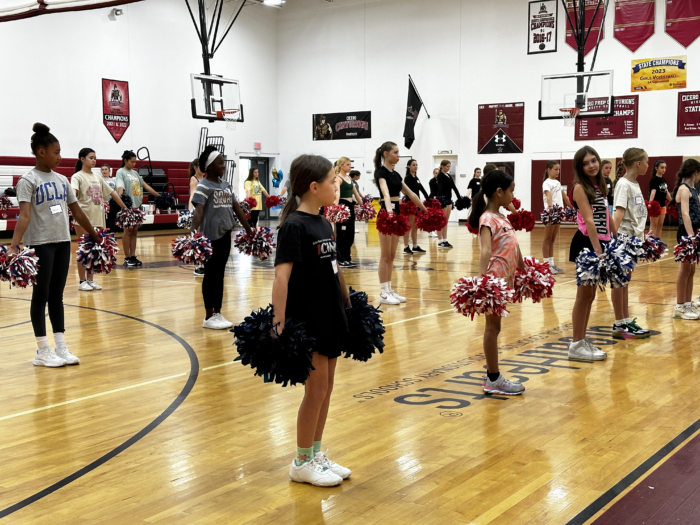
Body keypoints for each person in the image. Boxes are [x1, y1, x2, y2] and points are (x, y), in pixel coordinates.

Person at [273, 154, 352, 487]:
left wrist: (347, 301)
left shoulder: (323, 222)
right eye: (334, 180)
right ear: (314, 186)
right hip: (308, 318)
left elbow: (333, 267)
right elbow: (281, 278)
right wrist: (278, 325)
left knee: (328, 387)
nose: (338, 185)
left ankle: (316, 454)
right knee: (315, 390)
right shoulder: (294, 226)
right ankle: (301, 461)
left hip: (330, 312)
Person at [8, 123, 103, 367]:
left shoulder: (62, 180)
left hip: (62, 241)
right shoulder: (27, 180)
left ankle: (61, 346)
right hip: (40, 244)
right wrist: (14, 245)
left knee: (57, 296)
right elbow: (25, 216)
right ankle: (42, 350)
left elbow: (77, 212)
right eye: (56, 152)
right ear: (41, 152)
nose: (60, 157)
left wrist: (93, 234)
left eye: (60, 152)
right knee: (40, 297)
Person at [467, 169, 526, 395]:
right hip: (493, 280)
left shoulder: (502, 217)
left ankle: (494, 375)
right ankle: (493, 378)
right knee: (492, 328)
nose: (513, 195)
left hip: (504, 280)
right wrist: (482, 284)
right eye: (511, 191)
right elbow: (485, 251)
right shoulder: (486, 218)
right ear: (498, 192)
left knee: (496, 327)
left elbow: (514, 245)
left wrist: (524, 268)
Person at [191, 146, 252, 330]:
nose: (223, 165)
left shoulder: (225, 185)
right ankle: (209, 316)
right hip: (209, 239)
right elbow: (199, 212)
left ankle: (217, 313)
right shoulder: (203, 186)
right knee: (210, 275)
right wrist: (193, 235)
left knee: (219, 275)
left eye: (224, 162)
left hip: (225, 235)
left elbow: (237, 208)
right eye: (220, 163)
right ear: (209, 166)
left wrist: (250, 230)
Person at [567, 146, 616, 362]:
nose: (591, 165)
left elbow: (606, 214)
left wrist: (617, 238)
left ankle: (582, 340)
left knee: (591, 295)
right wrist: (598, 251)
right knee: (583, 295)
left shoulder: (600, 185)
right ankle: (576, 344)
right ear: (580, 166)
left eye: (593, 160)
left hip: (601, 242)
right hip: (588, 244)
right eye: (586, 163)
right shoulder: (579, 187)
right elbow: (589, 220)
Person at [374, 142, 428, 305]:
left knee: (391, 255)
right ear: (386, 154)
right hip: (386, 214)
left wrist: (425, 209)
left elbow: (410, 193)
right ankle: (383, 293)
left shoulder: (396, 175)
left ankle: (389, 289)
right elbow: (385, 192)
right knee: (385, 255)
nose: (398, 155)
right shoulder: (381, 173)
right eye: (396, 152)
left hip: (397, 214)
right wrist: (390, 212)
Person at [71, 148, 126, 291]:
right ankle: (82, 281)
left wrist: (125, 208)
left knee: (94, 249)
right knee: (83, 249)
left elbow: (113, 193)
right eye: (91, 157)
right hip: (83, 219)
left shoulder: (97, 177)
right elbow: (73, 194)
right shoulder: (77, 177)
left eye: (95, 157)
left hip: (98, 218)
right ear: (82, 159)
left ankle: (90, 280)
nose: (94, 160)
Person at [611, 148, 651, 337]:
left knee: (625, 281)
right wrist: (613, 240)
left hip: (633, 239)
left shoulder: (635, 184)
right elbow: (618, 213)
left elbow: (637, 212)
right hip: (622, 238)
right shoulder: (623, 184)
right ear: (638, 164)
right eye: (647, 162)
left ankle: (626, 320)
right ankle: (619, 323)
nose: (648, 165)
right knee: (619, 281)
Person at [116, 150, 160, 267]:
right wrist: (120, 197)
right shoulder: (121, 172)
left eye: (135, 162)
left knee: (134, 231)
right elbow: (120, 185)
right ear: (125, 161)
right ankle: (127, 257)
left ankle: (133, 256)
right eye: (132, 162)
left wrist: (158, 196)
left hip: (137, 206)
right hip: (127, 206)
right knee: (127, 230)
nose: (134, 164)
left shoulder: (135, 173)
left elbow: (145, 186)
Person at [672, 159, 700, 320]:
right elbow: (685, 214)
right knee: (685, 270)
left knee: (692, 269)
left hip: (694, 231)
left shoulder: (693, 189)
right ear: (695, 172)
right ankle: (679, 306)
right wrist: (691, 238)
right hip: (687, 233)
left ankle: (688, 304)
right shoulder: (683, 189)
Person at [542, 161, 572, 275]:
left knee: (553, 240)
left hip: (559, 212)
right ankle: (546, 266)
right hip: (551, 213)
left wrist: (574, 207)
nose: (557, 171)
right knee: (547, 239)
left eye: (558, 169)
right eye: (555, 169)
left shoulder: (558, 183)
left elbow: (565, 197)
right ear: (548, 169)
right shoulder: (546, 183)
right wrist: (550, 209)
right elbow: (548, 196)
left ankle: (552, 263)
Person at [334, 157, 364, 268]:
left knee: (350, 234)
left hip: (350, 207)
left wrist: (363, 206)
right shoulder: (338, 178)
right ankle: (340, 259)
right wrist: (336, 208)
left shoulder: (349, 179)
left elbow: (355, 194)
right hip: (342, 207)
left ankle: (347, 257)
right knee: (342, 234)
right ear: (341, 165)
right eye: (347, 164)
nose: (349, 167)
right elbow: (336, 194)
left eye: (350, 165)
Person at [402, 159, 429, 254]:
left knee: (415, 226)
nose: (415, 166)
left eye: (416, 165)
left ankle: (415, 246)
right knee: (409, 225)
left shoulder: (416, 178)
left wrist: (428, 199)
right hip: (410, 204)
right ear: (409, 166)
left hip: (417, 203)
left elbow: (422, 189)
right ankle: (406, 246)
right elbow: (408, 192)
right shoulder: (407, 178)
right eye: (413, 165)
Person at [436, 160, 462, 249]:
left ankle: (445, 240)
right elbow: (440, 188)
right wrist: (439, 200)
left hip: (449, 200)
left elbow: (454, 187)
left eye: (449, 166)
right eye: (447, 166)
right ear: (442, 166)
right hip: (442, 200)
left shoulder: (448, 175)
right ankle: (440, 241)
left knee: (446, 221)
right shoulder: (440, 176)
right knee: (441, 221)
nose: (448, 168)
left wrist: (459, 198)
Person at [189, 158, 205, 277]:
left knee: (204, 237)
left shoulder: (205, 178)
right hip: (198, 210)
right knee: (197, 237)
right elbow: (192, 195)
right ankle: (198, 265)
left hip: (205, 210)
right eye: (201, 166)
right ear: (195, 168)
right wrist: (191, 211)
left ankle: (204, 263)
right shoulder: (194, 179)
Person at [649, 160, 671, 238]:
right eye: (662, 167)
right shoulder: (654, 179)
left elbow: (666, 192)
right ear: (656, 168)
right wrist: (650, 203)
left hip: (662, 205)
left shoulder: (663, 180)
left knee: (660, 225)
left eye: (665, 168)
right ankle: (651, 244)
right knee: (654, 225)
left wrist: (672, 201)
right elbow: (653, 192)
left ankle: (658, 244)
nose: (664, 169)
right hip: (655, 206)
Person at [428, 168, 440, 238]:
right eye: (436, 173)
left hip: (438, 198)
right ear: (433, 173)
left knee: (437, 216)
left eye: (438, 173)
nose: (437, 174)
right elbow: (433, 191)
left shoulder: (441, 181)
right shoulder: (432, 181)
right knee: (432, 216)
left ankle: (433, 231)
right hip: (433, 198)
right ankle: (431, 231)